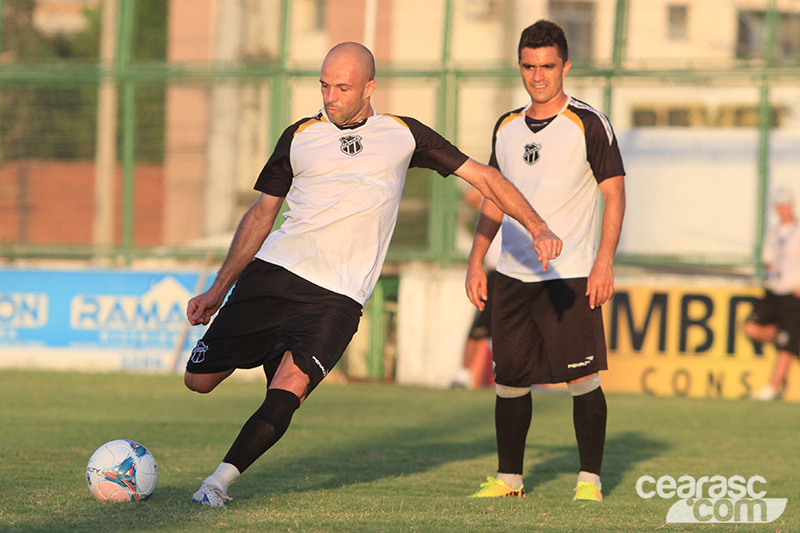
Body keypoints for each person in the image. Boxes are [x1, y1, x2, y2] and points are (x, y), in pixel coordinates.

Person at [184, 41, 561, 507]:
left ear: (369, 87)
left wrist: (539, 226)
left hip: (337, 298)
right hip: (275, 275)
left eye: (342, 87)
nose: (331, 96)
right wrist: (217, 289)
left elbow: (485, 178)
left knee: (289, 388)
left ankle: (216, 485)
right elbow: (262, 216)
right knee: (197, 381)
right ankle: (264, 348)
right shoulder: (299, 136)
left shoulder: (404, 134)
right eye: (324, 85)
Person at [465, 20, 625, 502]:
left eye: (548, 66)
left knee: (581, 376)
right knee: (509, 377)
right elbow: (495, 197)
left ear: (565, 67)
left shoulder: (589, 124)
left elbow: (614, 196)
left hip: (571, 275)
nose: (538, 76)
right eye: (530, 66)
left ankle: (589, 481)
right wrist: (477, 260)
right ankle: (510, 480)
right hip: (512, 275)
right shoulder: (507, 128)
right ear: (521, 66)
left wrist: (604, 263)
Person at [745, 186, 800, 400]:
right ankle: (791, 337)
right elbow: (768, 261)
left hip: (793, 293)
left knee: (786, 347)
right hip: (774, 291)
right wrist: (769, 269)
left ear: (791, 205)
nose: (783, 209)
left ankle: (771, 388)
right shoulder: (773, 232)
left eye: (785, 204)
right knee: (751, 327)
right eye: (779, 205)